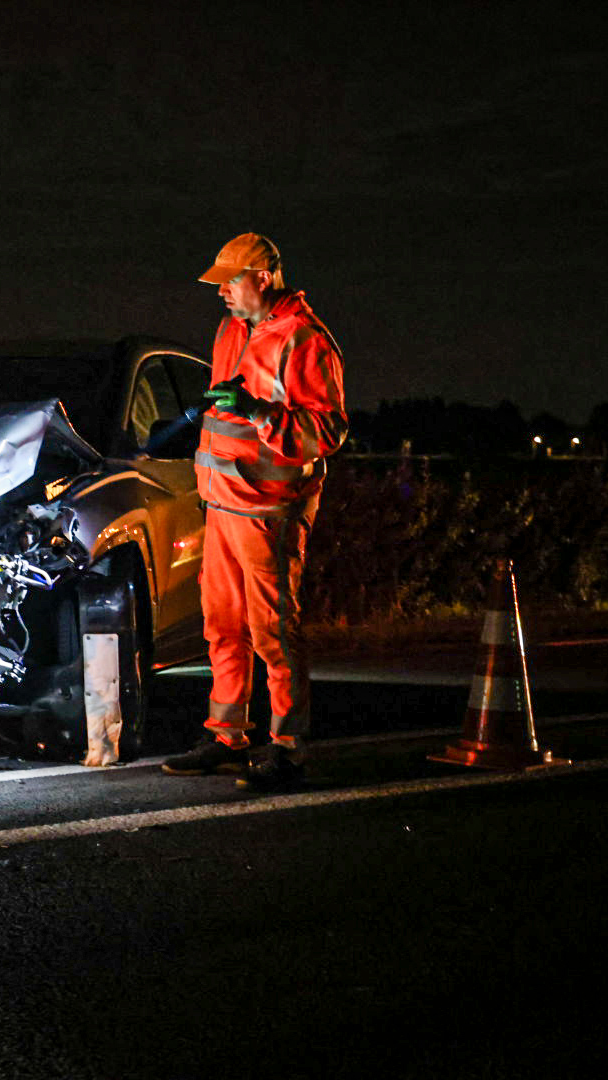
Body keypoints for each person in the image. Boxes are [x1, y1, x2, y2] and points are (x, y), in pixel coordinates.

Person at [162, 233, 346, 790]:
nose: (221, 292)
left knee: (273, 630)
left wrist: (260, 412)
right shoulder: (231, 329)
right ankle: (227, 737)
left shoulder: (306, 340)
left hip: (270, 510)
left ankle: (288, 747)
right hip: (222, 503)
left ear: (263, 278)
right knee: (221, 626)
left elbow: (328, 432)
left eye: (230, 281)